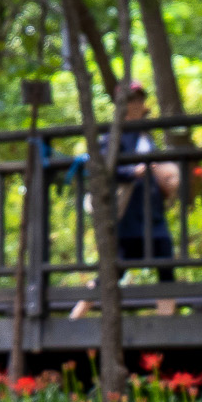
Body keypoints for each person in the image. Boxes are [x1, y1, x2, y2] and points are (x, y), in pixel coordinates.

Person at [71, 82, 180, 319]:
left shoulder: (146, 134)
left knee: (166, 263)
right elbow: (102, 167)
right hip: (128, 214)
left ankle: (167, 326)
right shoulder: (114, 135)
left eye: (140, 99)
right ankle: (76, 316)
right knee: (113, 269)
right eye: (131, 100)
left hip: (152, 212)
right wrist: (132, 173)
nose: (136, 104)